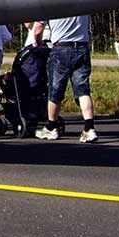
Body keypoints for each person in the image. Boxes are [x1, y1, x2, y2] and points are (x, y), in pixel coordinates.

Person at [34, 15, 99, 143]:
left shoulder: (53, 6)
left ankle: (52, 126)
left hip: (61, 48)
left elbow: (38, 28)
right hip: (82, 47)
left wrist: (38, 42)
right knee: (83, 89)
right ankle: (89, 127)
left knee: (55, 89)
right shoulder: (83, 6)